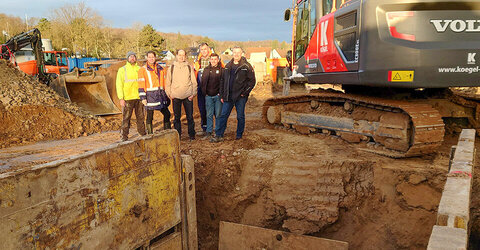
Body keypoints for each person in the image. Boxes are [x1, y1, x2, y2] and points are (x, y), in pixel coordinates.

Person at [211, 46, 255, 142]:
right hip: (228, 96)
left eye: (238, 53)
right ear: (232, 53)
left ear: (242, 54)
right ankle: (219, 135)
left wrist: (244, 93)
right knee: (223, 115)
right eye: (234, 52)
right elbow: (222, 81)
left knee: (240, 116)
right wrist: (222, 95)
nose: (236, 54)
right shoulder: (227, 66)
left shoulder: (246, 66)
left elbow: (252, 81)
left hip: (240, 97)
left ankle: (239, 135)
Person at [166, 49, 197, 141]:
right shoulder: (171, 68)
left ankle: (192, 135)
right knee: (177, 118)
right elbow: (168, 83)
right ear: (176, 56)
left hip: (188, 96)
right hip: (176, 96)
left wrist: (193, 94)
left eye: (183, 55)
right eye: (180, 55)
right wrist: (170, 94)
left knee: (190, 117)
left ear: (185, 56)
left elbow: (194, 82)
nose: (181, 57)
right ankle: (178, 136)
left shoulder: (189, 67)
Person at [138, 50, 171, 134]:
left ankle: (167, 132)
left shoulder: (161, 69)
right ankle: (150, 135)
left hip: (160, 95)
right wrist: (143, 98)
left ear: (155, 57)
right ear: (146, 58)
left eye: (152, 57)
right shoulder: (143, 70)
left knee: (167, 114)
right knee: (149, 116)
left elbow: (164, 83)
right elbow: (141, 84)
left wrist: (166, 94)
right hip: (150, 96)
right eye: (149, 57)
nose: (151, 59)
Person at [116, 51, 146, 141]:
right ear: (127, 58)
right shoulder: (122, 70)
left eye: (134, 56)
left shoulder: (140, 69)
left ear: (136, 58)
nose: (132, 58)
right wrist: (121, 98)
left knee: (140, 117)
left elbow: (143, 82)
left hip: (139, 97)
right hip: (127, 98)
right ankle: (124, 136)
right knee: (126, 118)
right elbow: (119, 84)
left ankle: (142, 133)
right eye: (130, 57)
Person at [200, 53, 223, 138]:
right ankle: (209, 132)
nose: (213, 61)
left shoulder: (221, 70)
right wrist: (205, 93)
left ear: (218, 60)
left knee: (218, 115)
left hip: (218, 96)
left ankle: (218, 132)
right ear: (210, 60)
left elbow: (223, 82)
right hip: (208, 96)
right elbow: (203, 82)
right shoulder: (206, 69)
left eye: (215, 59)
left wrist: (220, 93)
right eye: (212, 59)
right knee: (209, 115)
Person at [193, 43, 211, 135]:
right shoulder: (197, 61)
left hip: (212, 89)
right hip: (200, 89)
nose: (203, 51)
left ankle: (213, 128)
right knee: (202, 109)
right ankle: (204, 128)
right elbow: (194, 74)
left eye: (205, 49)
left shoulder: (214, 59)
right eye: (202, 50)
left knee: (212, 110)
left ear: (208, 49)